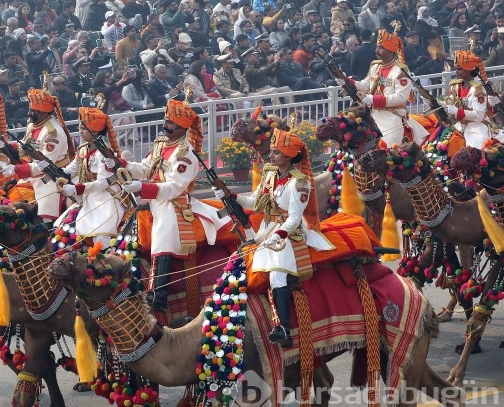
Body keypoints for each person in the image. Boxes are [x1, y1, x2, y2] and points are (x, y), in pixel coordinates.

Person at [212, 128, 333, 346]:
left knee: (277, 275)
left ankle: (283, 328)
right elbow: (254, 202)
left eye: (276, 153)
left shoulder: (300, 182)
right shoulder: (269, 174)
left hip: (288, 234)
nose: (270, 156)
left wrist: (278, 236)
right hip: (267, 230)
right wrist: (229, 194)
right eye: (272, 152)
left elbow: (295, 218)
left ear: (287, 156)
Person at [120, 98, 230, 311]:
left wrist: (142, 188)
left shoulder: (186, 154)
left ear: (183, 128)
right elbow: (144, 168)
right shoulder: (161, 143)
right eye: (166, 121)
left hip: (173, 203)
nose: (166, 126)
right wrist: (124, 164)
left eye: (172, 124)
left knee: (164, 234)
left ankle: (159, 294)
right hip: (152, 199)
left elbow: (174, 188)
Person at [55, 106, 127, 246]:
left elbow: (103, 183)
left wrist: (76, 189)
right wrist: (60, 174)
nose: (80, 132)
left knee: (101, 235)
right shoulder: (83, 149)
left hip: (107, 195)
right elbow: (72, 168)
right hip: (88, 195)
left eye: (83, 129)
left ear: (94, 131)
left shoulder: (104, 153)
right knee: (61, 227)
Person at [3, 88, 75, 225]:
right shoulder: (33, 125)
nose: (28, 114)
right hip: (34, 174)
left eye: (32, 111)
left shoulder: (53, 133)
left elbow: (44, 165)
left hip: (52, 175)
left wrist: (15, 169)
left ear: (42, 112)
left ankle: (47, 228)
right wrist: (6, 145)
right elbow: (25, 147)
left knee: (45, 209)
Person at [349, 29, 428, 146]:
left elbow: (401, 98)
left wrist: (373, 99)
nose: (376, 50)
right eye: (377, 47)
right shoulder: (375, 67)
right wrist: (346, 80)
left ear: (391, 50)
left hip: (391, 115)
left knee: (390, 142)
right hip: (372, 113)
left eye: (381, 47)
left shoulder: (401, 71)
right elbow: (365, 86)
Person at [444, 51, 492, 149]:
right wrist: (434, 102)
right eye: (455, 69)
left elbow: (479, 115)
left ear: (468, 70)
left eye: (459, 69)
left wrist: (458, 111)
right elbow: (448, 103)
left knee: (475, 147)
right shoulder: (455, 85)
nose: (456, 72)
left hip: (476, 126)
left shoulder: (478, 89)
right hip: (459, 125)